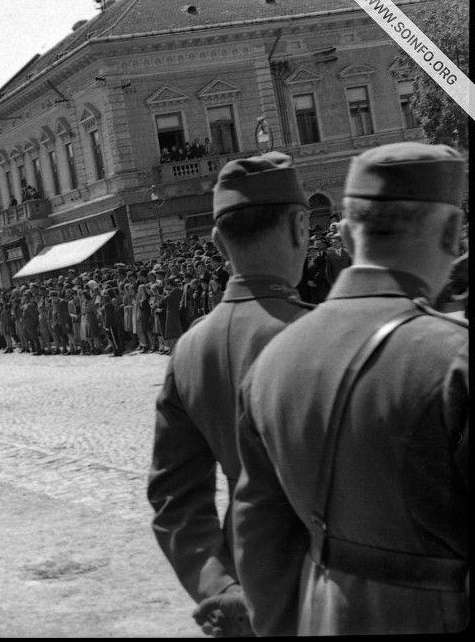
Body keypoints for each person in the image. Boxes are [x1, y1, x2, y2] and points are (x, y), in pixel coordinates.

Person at [233, 142, 469, 635]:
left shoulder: (271, 361)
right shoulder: (453, 357)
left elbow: (259, 544)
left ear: (342, 234)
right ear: (452, 232)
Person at [148, 152, 312, 638]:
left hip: (241, 583)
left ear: (219, 241)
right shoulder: (317, 334)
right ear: (301, 225)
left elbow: (174, 497)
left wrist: (216, 587)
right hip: (322, 583)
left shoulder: (190, 348)